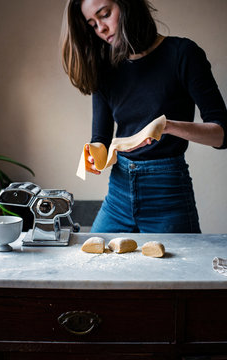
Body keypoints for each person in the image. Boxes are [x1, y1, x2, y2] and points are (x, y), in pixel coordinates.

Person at [61, 0, 227, 233]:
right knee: (93, 263)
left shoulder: (183, 54)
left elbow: (222, 134)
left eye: (105, 15)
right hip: (118, 195)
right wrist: (94, 152)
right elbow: (101, 136)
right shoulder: (104, 67)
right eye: (92, 24)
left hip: (168, 195)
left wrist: (167, 126)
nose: (101, 29)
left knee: (178, 270)